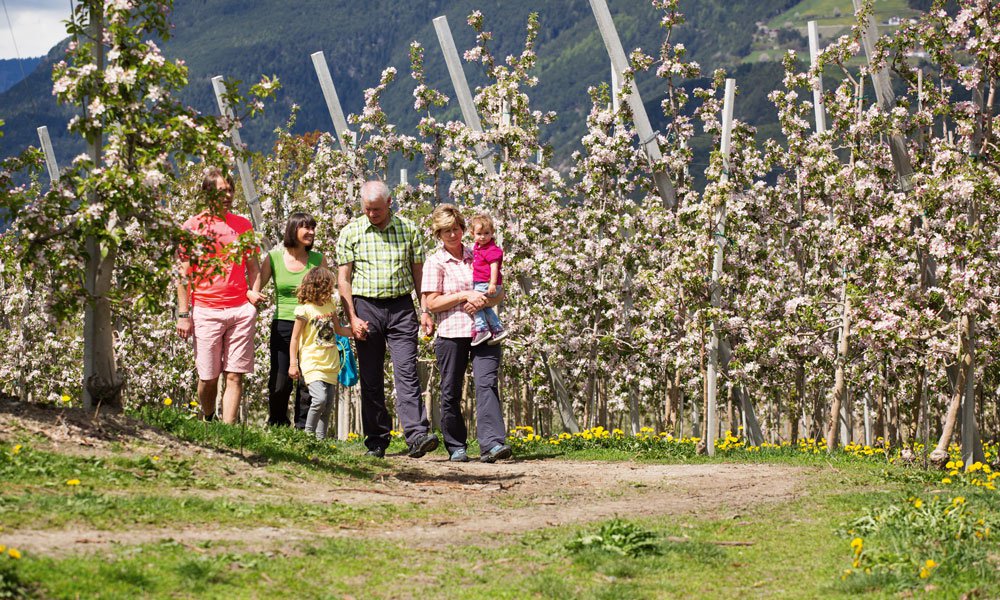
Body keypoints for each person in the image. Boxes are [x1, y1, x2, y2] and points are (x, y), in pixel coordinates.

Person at [335, 180, 437, 458]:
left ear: (390, 203)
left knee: (406, 372)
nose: (372, 214)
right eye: (367, 209)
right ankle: (377, 440)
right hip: (366, 307)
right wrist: (352, 318)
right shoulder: (350, 233)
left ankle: (417, 435)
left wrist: (424, 310)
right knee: (370, 378)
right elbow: (343, 280)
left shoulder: (409, 231)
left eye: (377, 209)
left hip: (402, 308)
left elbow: (419, 276)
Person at [421, 204, 512, 464]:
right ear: (438, 234)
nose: (452, 235)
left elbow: (499, 292)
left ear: (463, 229)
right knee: (451, 389)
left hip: (483, 330)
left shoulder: (480, 253)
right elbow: (432, 303)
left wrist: (483, 299)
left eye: (456, 229)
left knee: (486, 384)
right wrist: (464, 296)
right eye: (446, 231)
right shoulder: (435, 261)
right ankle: (456, 445)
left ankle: (492, 444)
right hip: (452, 332)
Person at [175, 168, 260, 424]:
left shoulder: (243, 225)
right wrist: (183, 314)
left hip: (239, 311)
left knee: (234, 375)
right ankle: (209, 417)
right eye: (221, 191)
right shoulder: (192, 227)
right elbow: (183, 275)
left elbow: (253, 266)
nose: (227, 196)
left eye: (230, 190)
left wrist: (253, 294)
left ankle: (228, 431)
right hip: (206, 310)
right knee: (208, 377)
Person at [251, 212, 325, 427]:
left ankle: (304, 429)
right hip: (283, 324)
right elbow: (257, 286)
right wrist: (252, 294)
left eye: (313, 228)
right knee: (280, 381)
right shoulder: (273, 258)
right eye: (306, 228)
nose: (311, 232)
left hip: (311, 325)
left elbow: (326, 293)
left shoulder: (318, 260)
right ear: (293, 229)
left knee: (307, 380)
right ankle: (277, 424)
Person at [288, 267, 353, 440]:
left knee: (328, 405)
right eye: (327, 287)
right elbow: (294, 339)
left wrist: (355, 331)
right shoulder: (304, 310)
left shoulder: (330, 306)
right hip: (312, 362)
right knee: (319, 399)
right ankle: (308, 436)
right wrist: (293, 363)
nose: (330, 291)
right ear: (317, 287)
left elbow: (338, 329)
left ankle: (321, 440)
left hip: (330, 363)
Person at [469, 213, 508, 346]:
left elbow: (494, 267)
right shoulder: (478, 247)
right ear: (472, 233)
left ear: (492, 233)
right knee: (485, 306)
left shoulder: (491, 249)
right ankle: (497, 329)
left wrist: (492, 283)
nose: (483, 236)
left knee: (476, 303)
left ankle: (482, 329)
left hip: (486, 283)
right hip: (482, 282)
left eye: (486, 233)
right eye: (479, 233)